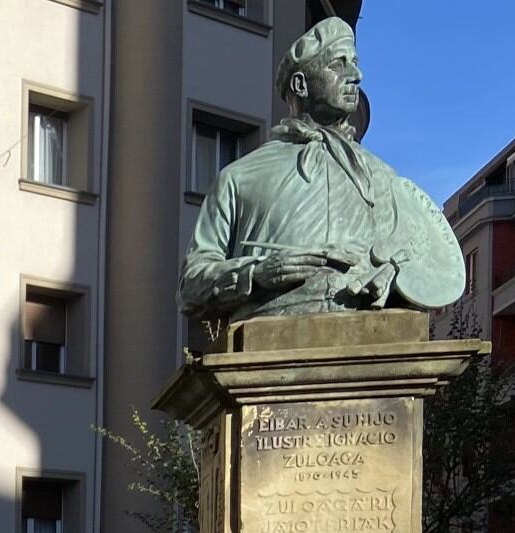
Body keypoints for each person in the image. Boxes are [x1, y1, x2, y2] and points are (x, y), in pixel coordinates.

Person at [179, 18, 464, 323]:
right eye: (338, 64)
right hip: (272, 338)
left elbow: (428, 264)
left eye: (354, 63)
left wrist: (399, 272)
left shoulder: (383, 178)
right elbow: (191, 286)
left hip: (371, 337)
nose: (356, 75)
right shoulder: (240, 178)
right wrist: (256, 273)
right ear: (301, 84)